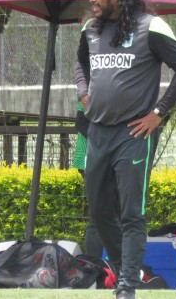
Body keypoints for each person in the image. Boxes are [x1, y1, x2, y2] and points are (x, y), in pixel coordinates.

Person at [74, 0, 176, 299]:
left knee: (131, 212)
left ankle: (127, 286)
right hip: (97, 132)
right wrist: (84, 93)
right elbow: (79, 63)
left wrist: (158, 113)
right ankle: (127, 268)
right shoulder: (90, 28)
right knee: (99, 210)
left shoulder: (151, 26)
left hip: (134, 134)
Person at [71, 98, 105, 259]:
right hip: (91, 161)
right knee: (97, 218)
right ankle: (96, 268)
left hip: (114, 161)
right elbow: (81, 122)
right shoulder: (91, 86)